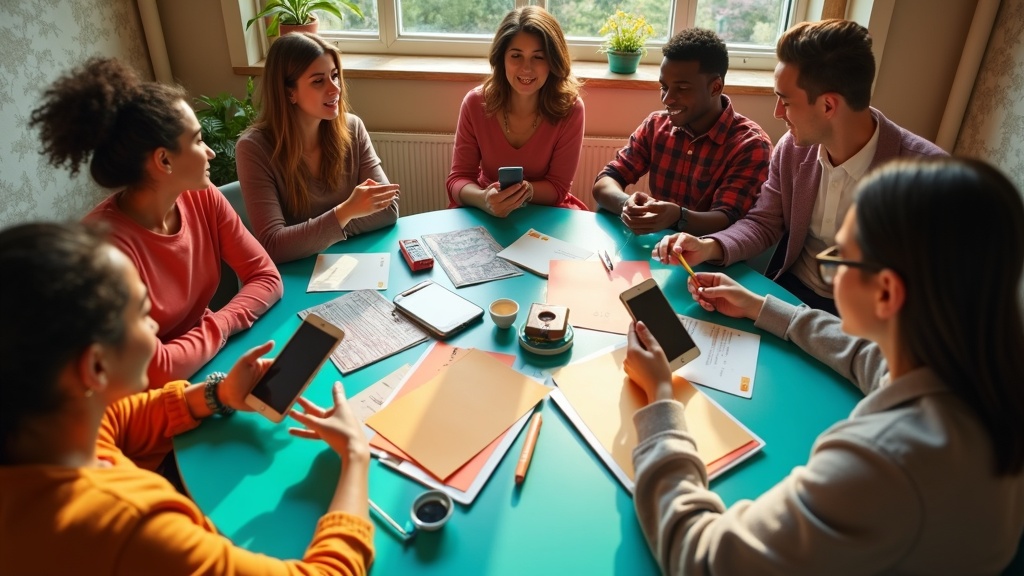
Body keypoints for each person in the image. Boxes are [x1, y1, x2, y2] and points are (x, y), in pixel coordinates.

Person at [624, 157, 1024, 574]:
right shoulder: (980, 373)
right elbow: (868, 356)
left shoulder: (880, 463)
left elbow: (700, 558)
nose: (826, 268)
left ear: (886, 293)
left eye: (840, 258)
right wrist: (760, 307)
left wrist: (661, 401)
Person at [0, 221, 373, 574]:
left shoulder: (48, 435)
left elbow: (116, 420)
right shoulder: (134, 529)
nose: (153, 329)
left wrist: (216, 394)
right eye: (145, 316)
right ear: (95, 367)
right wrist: (356, 456)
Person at [653, 19, 945, 314]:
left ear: (828, 106)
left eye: (785, 101)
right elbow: (763, 223)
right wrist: (709, 246)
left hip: (867, 324)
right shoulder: (792, 150)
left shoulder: (930, 180)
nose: (777, 113)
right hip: (790, 296)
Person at [30, 58, 283, 387]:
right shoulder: (103, 249)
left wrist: (216, 325)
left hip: (203, 366)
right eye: (196, 140)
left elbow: (266, 277)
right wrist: (220, 327)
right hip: (148, 402)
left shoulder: (201, 196)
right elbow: (155, 370)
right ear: (163, 160)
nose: (210, 153)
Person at [237, 32, 400, 263]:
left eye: (335, 76)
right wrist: (346, 212)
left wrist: (312, 235)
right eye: (318, 81)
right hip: (296, 277)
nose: (335, 89)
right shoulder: (254, 148)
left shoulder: (352, 128)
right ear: (289, 92)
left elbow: (387, 209)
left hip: (351, 263)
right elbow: (273, 245)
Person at [593, 28, 771, 236]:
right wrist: (627, 204)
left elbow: (729, 218)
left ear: (715, 87)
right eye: (664, 87)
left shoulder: (751, 145)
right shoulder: (656, 125)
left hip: (711, 259)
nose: (667, 99)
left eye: (682, 88)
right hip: (657, 249)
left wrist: (679, 217)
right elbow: (606, 181)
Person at [446, 6, 588, 217]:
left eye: (538, 57)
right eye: (516, 56)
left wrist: (526, 191)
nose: (526, 68)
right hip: (486, 206)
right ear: (501, 58)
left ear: (553, 62)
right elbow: (458, 179)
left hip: (545, 212)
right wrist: (484, 199)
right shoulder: (475, 103)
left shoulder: (571, 109)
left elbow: (558, 188)